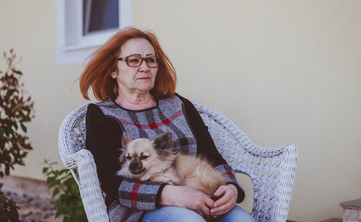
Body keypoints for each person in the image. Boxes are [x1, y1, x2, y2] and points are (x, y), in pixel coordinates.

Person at [79, 27, 255, 222]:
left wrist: (230, 187)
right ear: (113, 70)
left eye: (151, 60)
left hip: (203, 196)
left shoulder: (179, 105)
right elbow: (112, 183)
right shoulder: (103, 114)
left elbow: (212, 155)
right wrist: (169, 194)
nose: (144, 67)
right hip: (140, 210)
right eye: (134, 60)